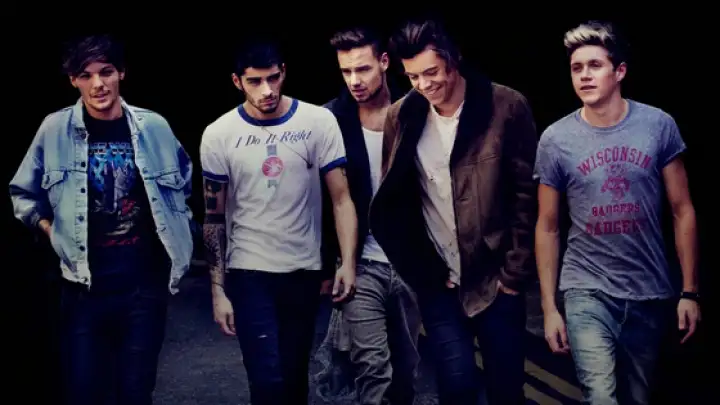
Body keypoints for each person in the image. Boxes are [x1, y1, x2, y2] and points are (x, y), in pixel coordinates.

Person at [9, 34, 194, 405]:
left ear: (121, 73)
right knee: (84, 391)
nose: (98, 84)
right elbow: (22, 193)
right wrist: (50, 230)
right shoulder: (54, 129)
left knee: (136, 391)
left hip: (143, 286)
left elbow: (182, 187)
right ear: (73, 80)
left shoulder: (154, 127)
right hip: (83, 288)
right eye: (86, 75)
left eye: (106, 72)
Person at [368, 18, 539, 405]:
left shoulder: (506, 106)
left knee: (506, 390)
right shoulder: (402, 116)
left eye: (431, 72)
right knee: (456, 387)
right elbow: (397, 204)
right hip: (439, 281)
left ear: (453, 59)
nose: (424, 85)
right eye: (413, 76)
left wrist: (513, 274)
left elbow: (527, 196)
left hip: (496, 279)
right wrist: (422, 271)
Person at [534, 20, 702, 405]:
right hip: (586, 288)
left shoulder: (657, 126)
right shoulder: (556, 140)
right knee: (600, 395)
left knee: (638, 397)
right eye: (576, 68)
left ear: (620, 71)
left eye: (595, 65)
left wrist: (690, 291)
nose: (584, 76)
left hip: (649, 289)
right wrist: (549, 308)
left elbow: (682, 210)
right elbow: (547, 227)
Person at [199, 38, 358, 405]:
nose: (266, 90)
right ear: (237, 81)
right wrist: (218, 290)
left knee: (293, 378)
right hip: (249, 270)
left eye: (273, 78)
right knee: (266, 380)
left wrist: (346, 263)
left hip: (302, 269)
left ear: (284, 72)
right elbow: (213, 217)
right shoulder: (219, 134)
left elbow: (341, 197)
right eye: (254, 81)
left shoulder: (317, 122)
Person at [314, 26, 421, 405]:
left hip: (410, 263)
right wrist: (329, 265)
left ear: (385, 62)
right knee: (372, 368)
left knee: (406, 372)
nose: (354, 81)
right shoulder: (331, 119)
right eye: (346, 71)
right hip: (361, 264)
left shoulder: (416, 109)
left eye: (363, 69)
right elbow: (322, 201)